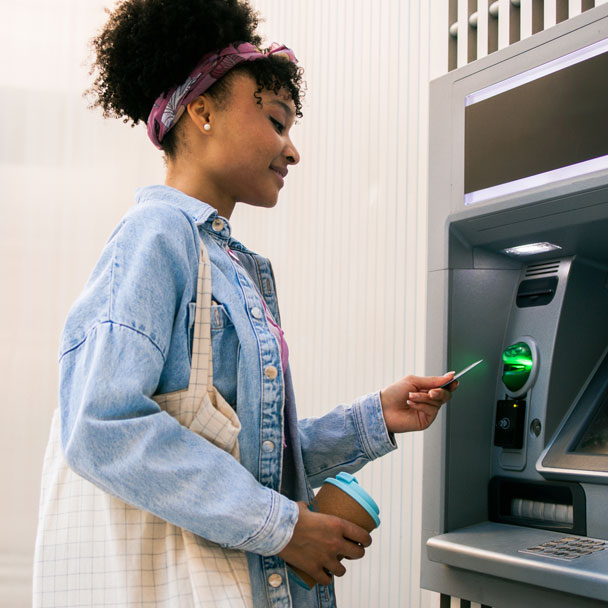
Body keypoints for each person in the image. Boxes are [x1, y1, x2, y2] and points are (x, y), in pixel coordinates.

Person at [33, 1, 455, 607]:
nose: (292, 150)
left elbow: (249, 455)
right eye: (278, 122)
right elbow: (100, 420)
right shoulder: (157, 234)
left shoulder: (224, 261)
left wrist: (376, 417)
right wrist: (283, 529)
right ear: (202, 111)